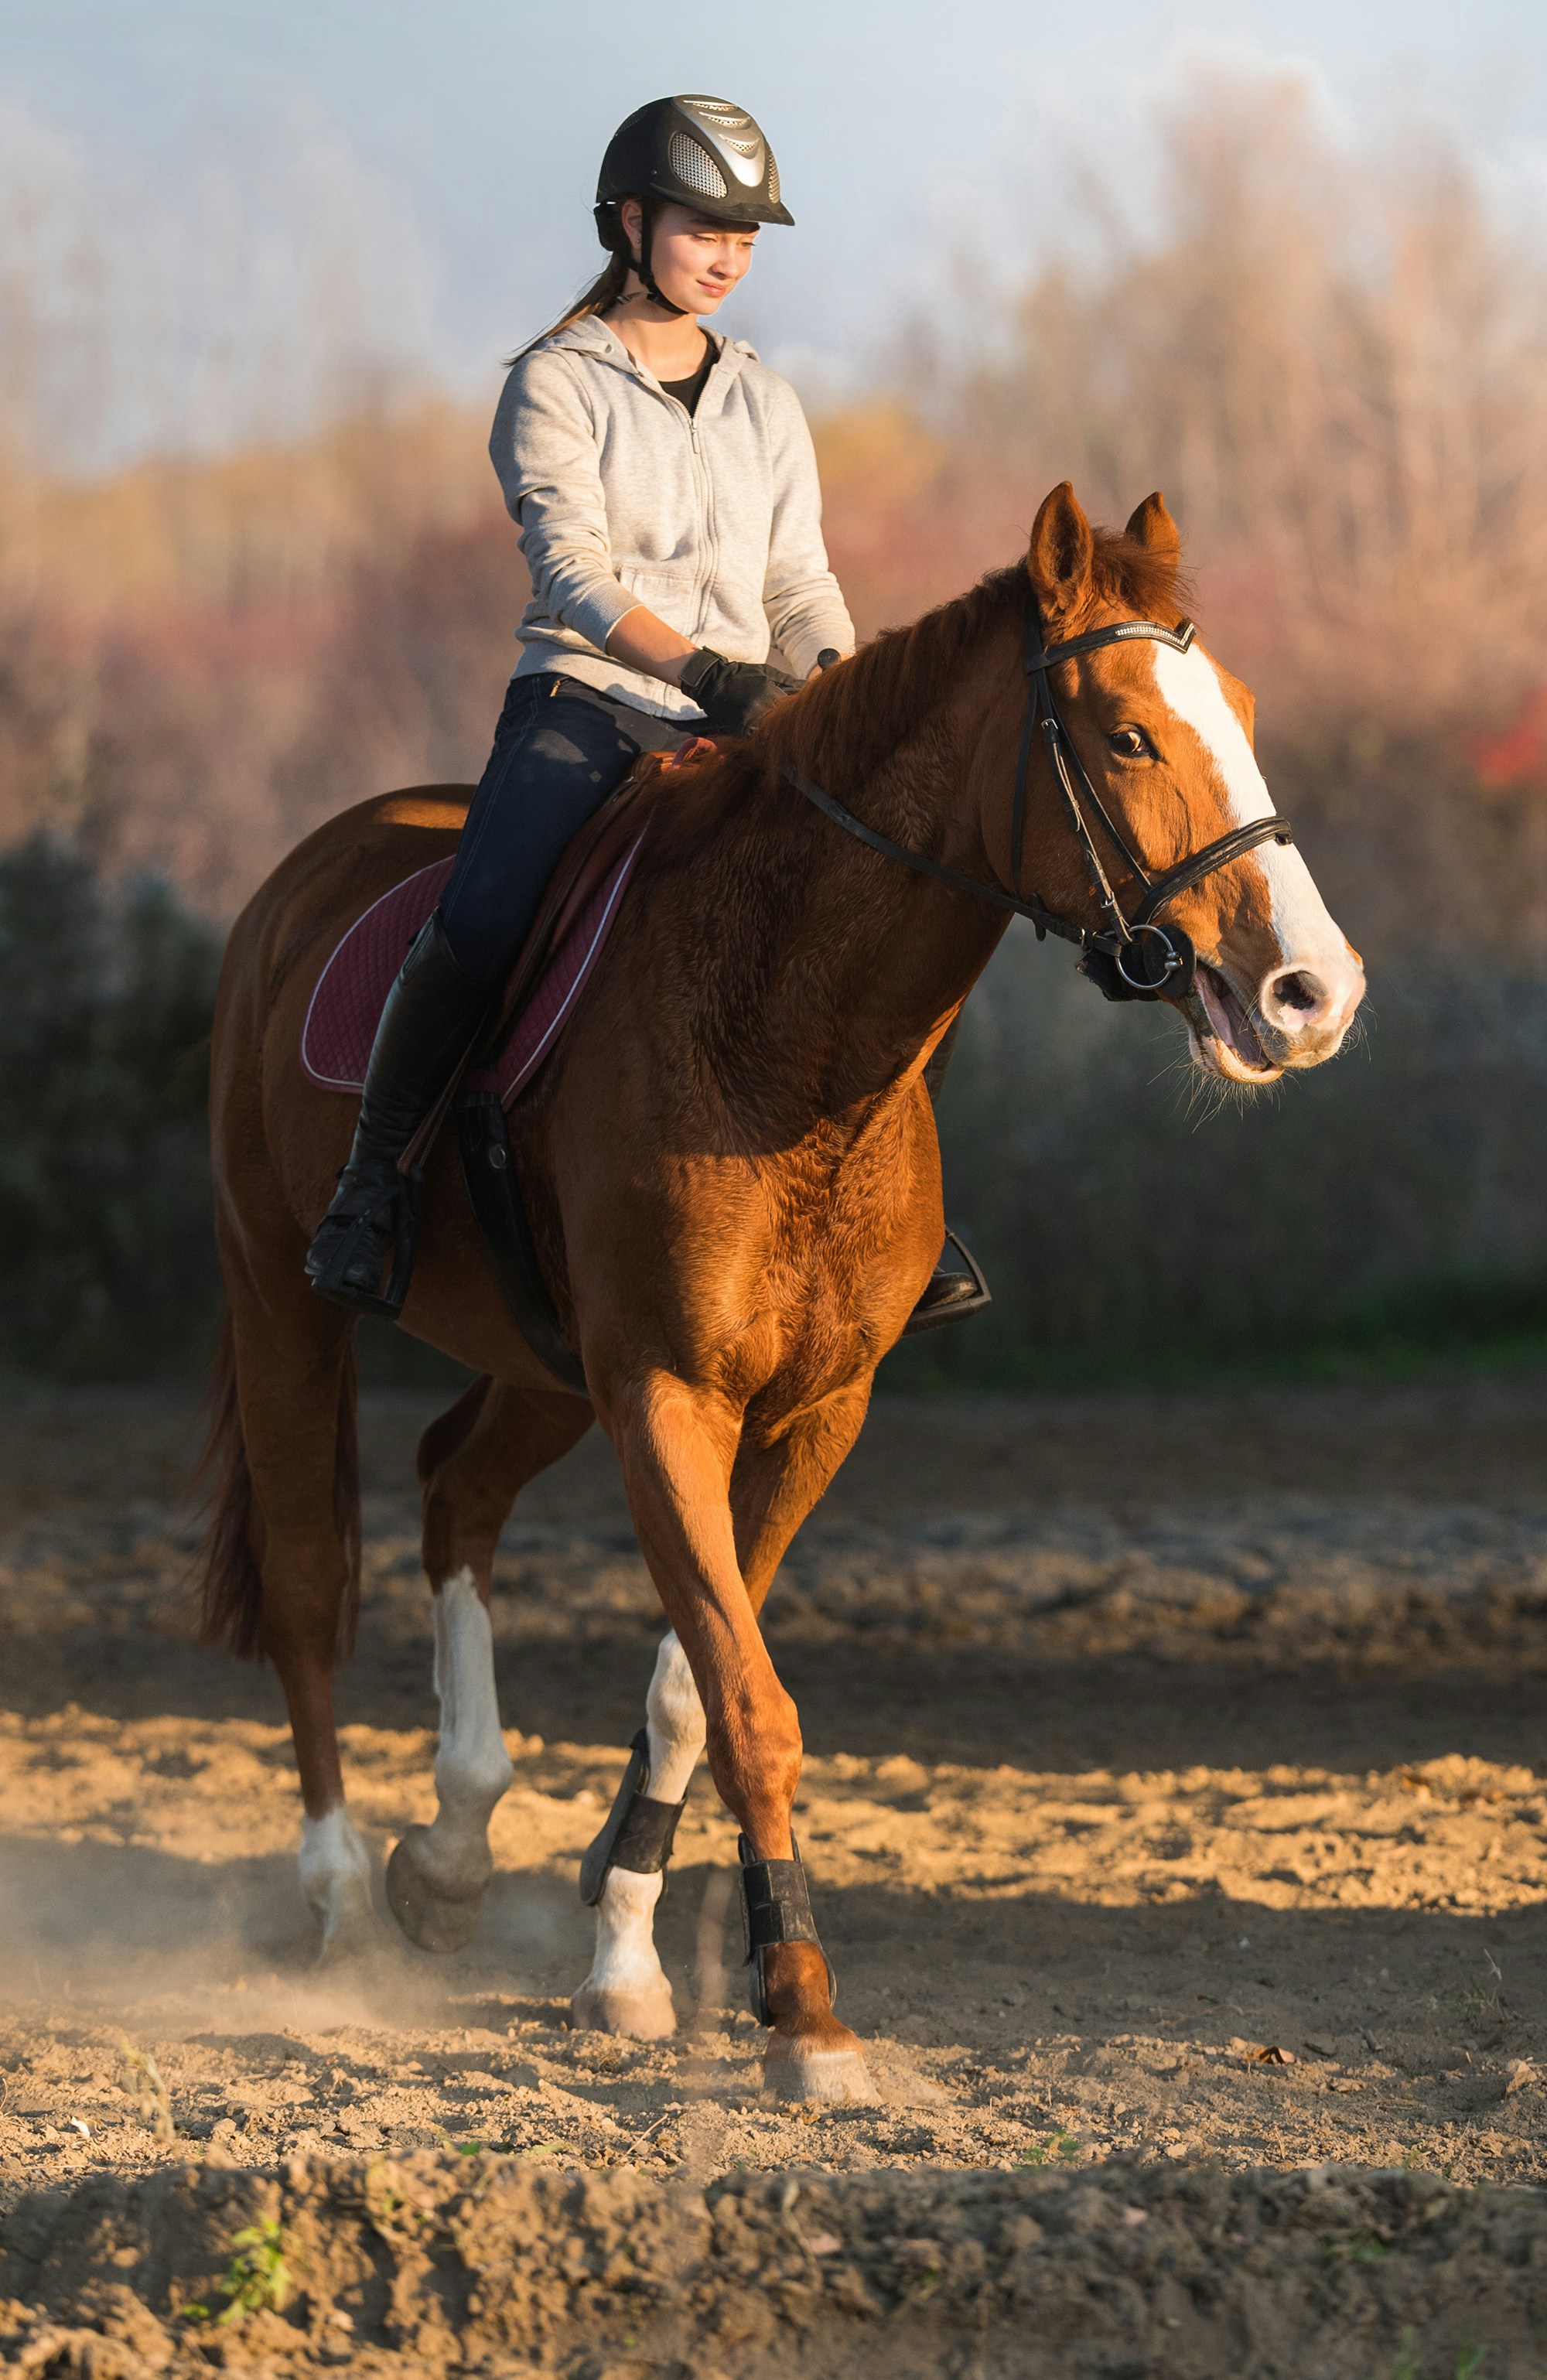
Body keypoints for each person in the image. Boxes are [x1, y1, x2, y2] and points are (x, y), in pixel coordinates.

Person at [305, 93, 986, 1334]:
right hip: (593, 700)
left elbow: (797, 582)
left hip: (751, 724)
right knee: (485, 913)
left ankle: (898, 1213)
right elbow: (574, 572)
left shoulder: (768, 403)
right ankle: (373, 1185)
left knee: (895, 903)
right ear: (629, 222)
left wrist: (832, 693)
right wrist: (707, 676)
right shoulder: (553, 385)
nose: (727, 254)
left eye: (746, 234)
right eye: (703, 226)